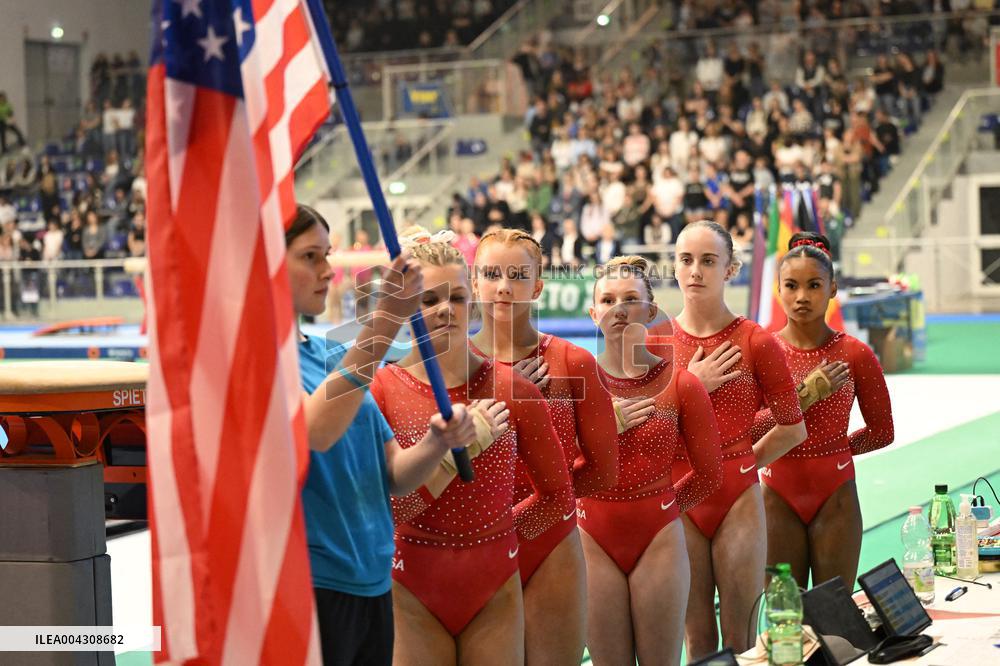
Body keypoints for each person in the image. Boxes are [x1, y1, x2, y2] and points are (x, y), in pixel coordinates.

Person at [287, 205, 493, 666]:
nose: (326, 271)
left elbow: (394, 475)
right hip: (313, 583)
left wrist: (436, 442)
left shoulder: (332, 354)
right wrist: (386, 320)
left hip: (371, 579)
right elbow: (314, 432)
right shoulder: (259, 360)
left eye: (327, 255)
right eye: (310, 257)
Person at [370, 227, 574, 665]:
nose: (446, 311)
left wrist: (497, 534)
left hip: (495, 586)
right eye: (429, 301)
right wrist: (448, 459)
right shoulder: (382, 391)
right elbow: (383, 512)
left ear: (473, 299)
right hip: (411, 591)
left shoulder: (514, 389)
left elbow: (558, 498)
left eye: (457, 298)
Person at [654, 220, 807, 658]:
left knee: (740, 638)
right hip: (679, 497)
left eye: (708, 261)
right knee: (697, 639)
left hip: (737, 496)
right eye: (686, 260)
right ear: (675, 267)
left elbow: (792, 427)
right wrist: (688, 382)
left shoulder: (755, 341)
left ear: (731, 269)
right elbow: (636, 433)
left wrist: (744, 465)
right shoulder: (655, 342)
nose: (695, 271)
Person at [470, 227, 619, 664]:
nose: (503, 286)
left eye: (517, 275)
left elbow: (604, 471)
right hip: (474, 543)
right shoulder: (446, 369)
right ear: (473, 280)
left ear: (538, 285)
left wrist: (536, 510)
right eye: (491, 273)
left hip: (550, 545)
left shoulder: (573, 364)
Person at [581, 255, 722, 665]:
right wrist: (607, 432)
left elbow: (709, 474)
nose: (618, 309)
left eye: (630, 299)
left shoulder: (682, 384)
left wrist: (661, 509)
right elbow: (558, 478)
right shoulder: (573, 383)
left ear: (652, 310)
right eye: (607, 301)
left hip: (659, 536)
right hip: (592, 537)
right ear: (594, 314)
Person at [754, 232, 894, 590]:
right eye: (792, 285)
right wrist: (801, 399)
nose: (802, 297)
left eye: (814, 285)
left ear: (832, 289)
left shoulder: (855, 354)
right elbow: (746, 431)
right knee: (788, 615)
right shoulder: (762, 351)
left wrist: (836, 449)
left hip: (836, 493)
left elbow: (882, 431)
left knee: (835, 612)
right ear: (778, 289)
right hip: (776, 493)